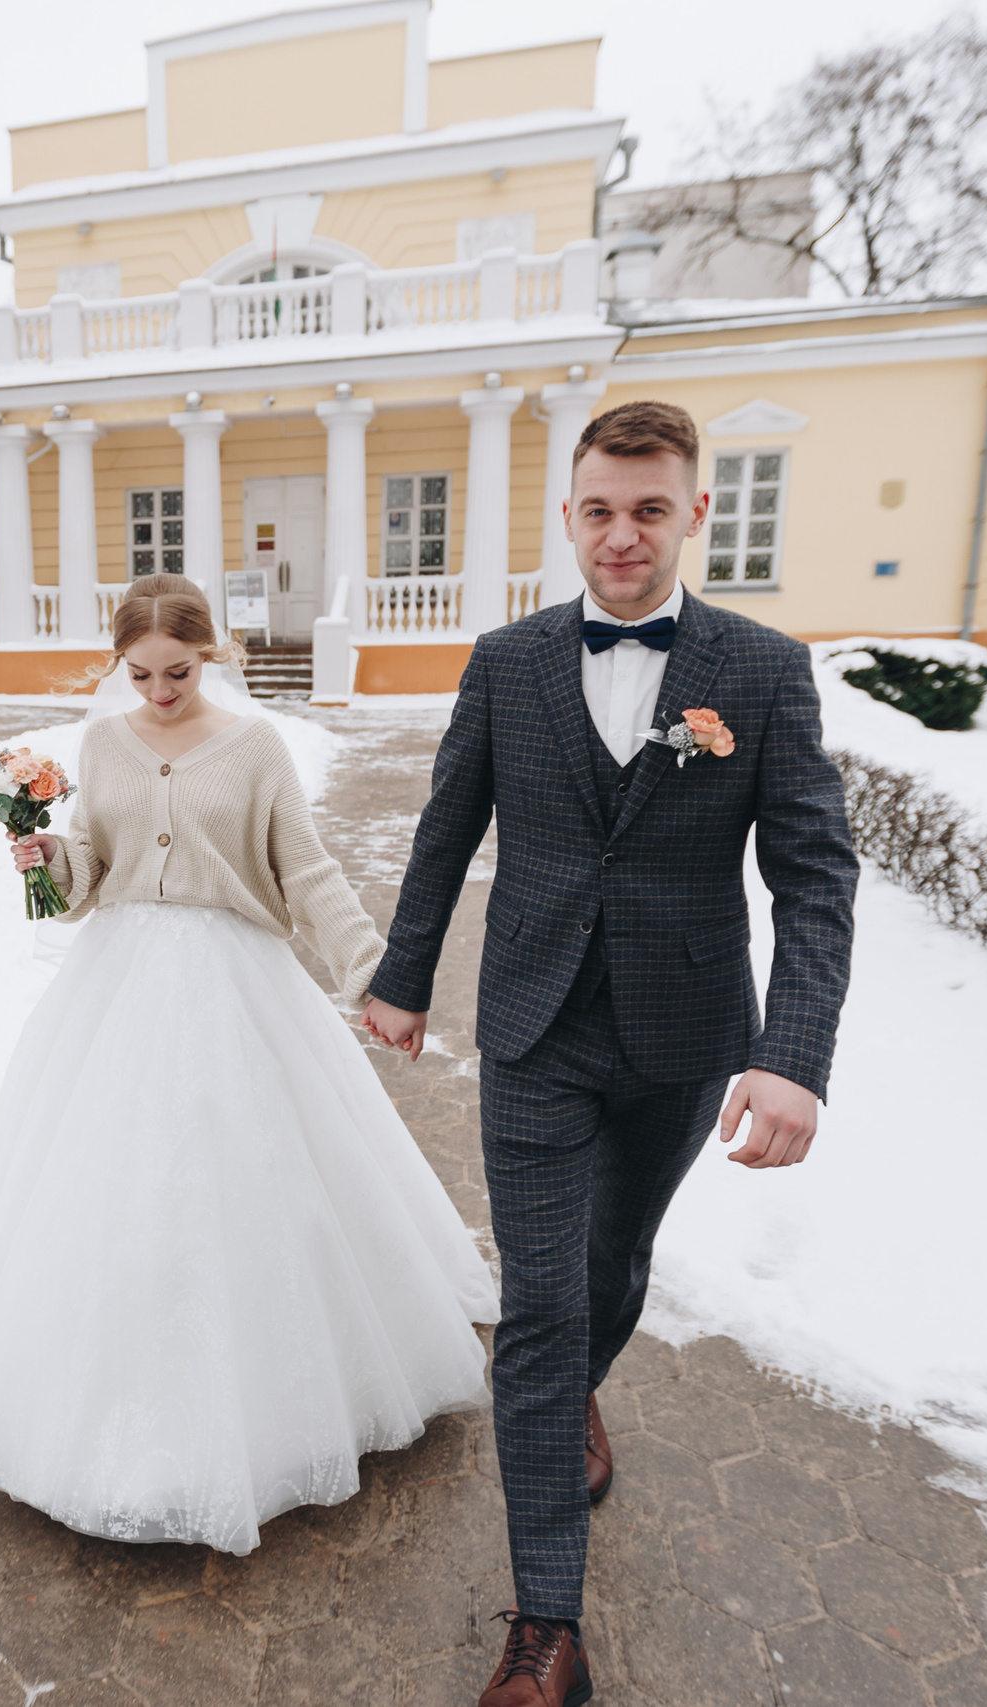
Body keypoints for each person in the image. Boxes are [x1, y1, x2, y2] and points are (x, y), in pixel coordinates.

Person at [364, 402, 859, 1707]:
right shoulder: (505, 661)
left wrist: (794, 1050)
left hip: (685, 1037)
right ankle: (546, 1629)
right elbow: (444, 827)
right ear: (570, 514)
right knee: (537, 1299)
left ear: (695, 513)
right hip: (531, 1023)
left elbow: (814, 875)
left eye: (650, 507)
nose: (622, 532)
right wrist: (405, 977)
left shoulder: (760, 671)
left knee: (611, 1261)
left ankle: (578, 1382)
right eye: (599, 507)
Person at [0, 573, 499, 1554]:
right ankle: (92, 1407)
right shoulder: (101, 744)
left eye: (177, 671)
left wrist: (373, 973)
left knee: (243, 1175)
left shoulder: (254, 746)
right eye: (139, 673)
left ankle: (277, 1400)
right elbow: (85, 881)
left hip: (235, 981)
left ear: (211, 654)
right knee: (117, 1189)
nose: (157, 690)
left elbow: (305, 867)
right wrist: (42, 860)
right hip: (119, 986)